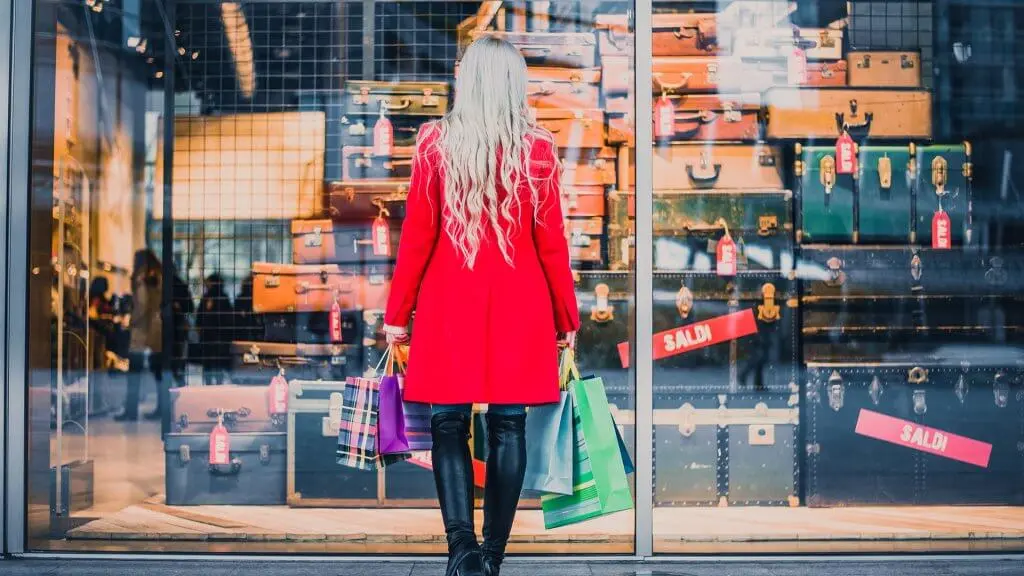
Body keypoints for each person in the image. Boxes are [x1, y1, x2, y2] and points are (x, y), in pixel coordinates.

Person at [382, 37, 579, 576]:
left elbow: (417, 240)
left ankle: (461, 550)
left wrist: (397, 316)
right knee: (508, 426)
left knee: (448, 424)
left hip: (449, 304)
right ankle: (492, 556)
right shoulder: (537, 149)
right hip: (522, 307)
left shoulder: (434, 144)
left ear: (467, 79)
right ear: (514, 82)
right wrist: (567, 321)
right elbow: (552, 246)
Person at [116, 249, 164, 422]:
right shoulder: (157, 277)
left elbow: (142, 304)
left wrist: (132, 321)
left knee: (134, 372)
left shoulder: (141, 278)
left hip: (141, 330)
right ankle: (160, 408)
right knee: (158, 371)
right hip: (156, 329)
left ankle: (131, 410)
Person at [196, 273, 234, 385]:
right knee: (218, 362)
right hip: (219, 336)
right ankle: (217, 383)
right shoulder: (223, 297)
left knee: (208, 362)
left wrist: (200, 329)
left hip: (210, 335)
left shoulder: (208, 297)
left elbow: (200, 316)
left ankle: (209, 383)